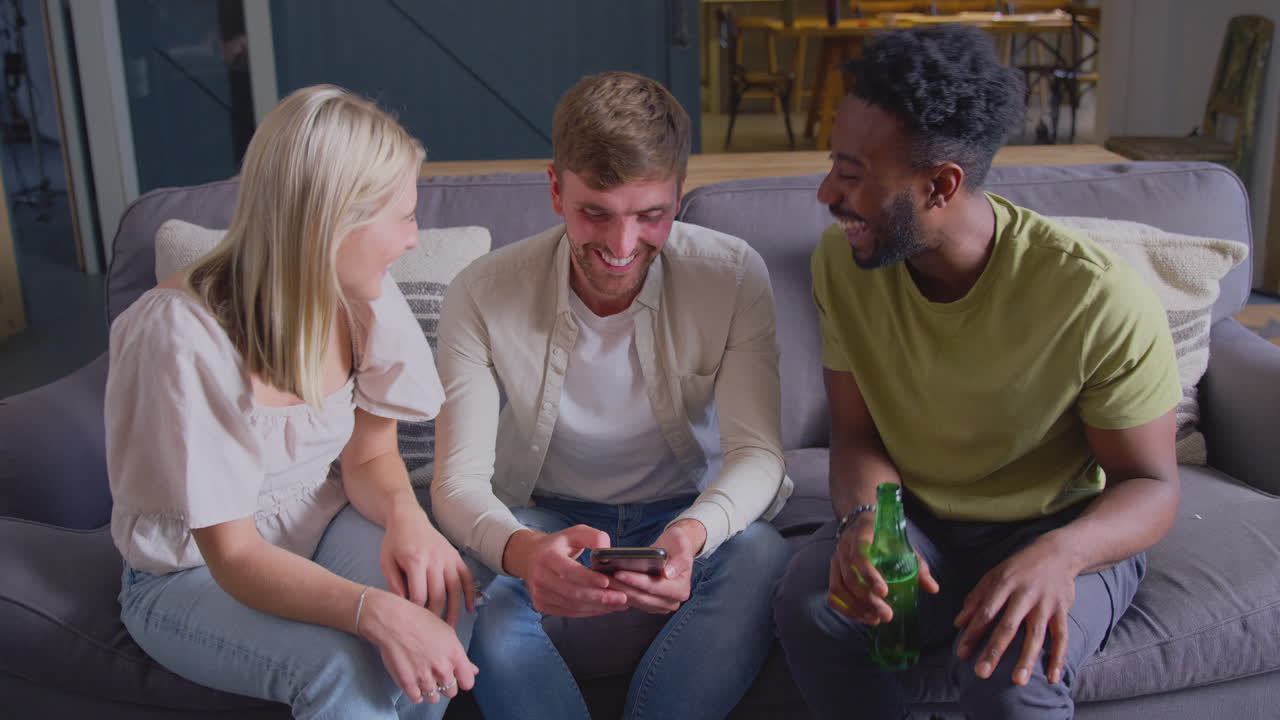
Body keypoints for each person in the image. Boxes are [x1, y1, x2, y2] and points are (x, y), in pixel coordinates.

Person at [772, 25, 1182, 720]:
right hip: (919, 519)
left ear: (941, 185)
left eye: (852, 174)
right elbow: (854, 430)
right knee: (813, 605)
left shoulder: (1095, 297)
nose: (825, 194)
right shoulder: (844, 263)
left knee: (1012, 677)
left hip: (1057, 527)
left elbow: (1152, 483)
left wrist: (1063, 554)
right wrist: (870, 521)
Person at [106, 84, 478, 719]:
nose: (414, 239)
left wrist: (406, 517)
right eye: (405, 217)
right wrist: (372, 612)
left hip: (319, 524)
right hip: (190, 573)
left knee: (443, 597)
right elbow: (236, 555)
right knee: (342, 672)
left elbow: (367, 461)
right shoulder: (178, 335)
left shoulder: (362, 294)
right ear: (334, 223)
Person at [430, 70, 793, 720]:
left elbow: (758, 454)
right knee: (467, 584)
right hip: (546, 512)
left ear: (678, 197)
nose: (622, 248)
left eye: (650, 216)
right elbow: (457, 483)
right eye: (595, 212)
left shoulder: (732, 275)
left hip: (685, 505)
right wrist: (519, 551)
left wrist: (693, 534)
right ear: (554, 189)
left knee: (764, 556)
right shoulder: (482, 292)